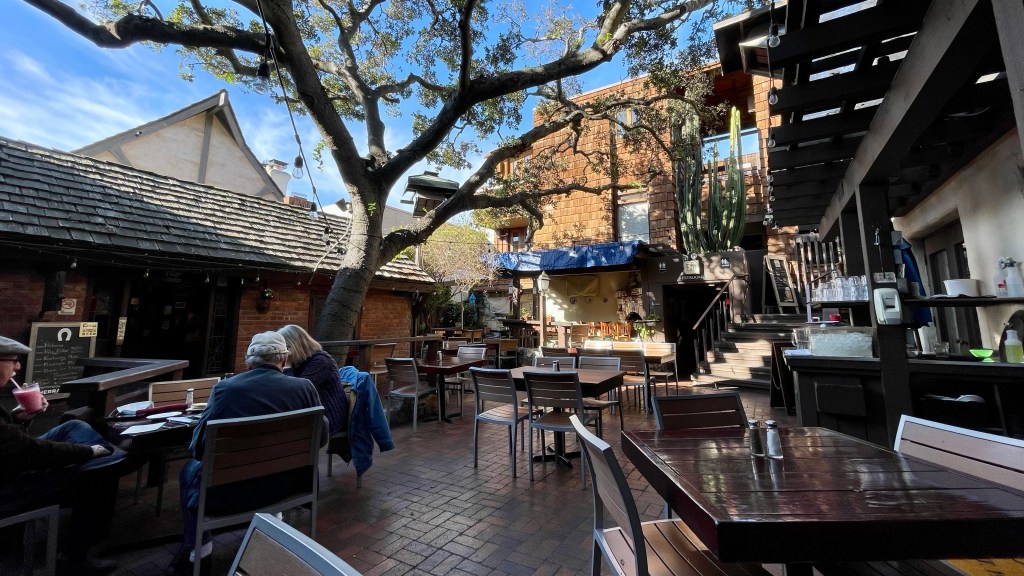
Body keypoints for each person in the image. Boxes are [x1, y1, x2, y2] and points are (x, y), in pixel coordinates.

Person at [175, 332, 326, 574]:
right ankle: (274, 521)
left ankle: (199, 549)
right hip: (290, 487)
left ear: (248, 361)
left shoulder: (225, 389)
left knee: (189, 470)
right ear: (284, 359)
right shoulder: (304, 388)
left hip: (229, 494)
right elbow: (322, 436)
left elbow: (199, 447)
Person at [0, 335, 123, 576]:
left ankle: (106, 459)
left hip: (11, 467)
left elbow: (10, 445)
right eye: (13, 360)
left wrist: (19, 419)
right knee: (97, 475)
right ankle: (75, 558)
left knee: (73, 427)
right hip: (6, 489)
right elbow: (30, 452)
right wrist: (87, 452)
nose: (18, 366)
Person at [277, 324, 350, 436]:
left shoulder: (320, 361)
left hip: (328, 418)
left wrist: (286, 365)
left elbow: (297, 391)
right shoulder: (300, 360)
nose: (281, 353)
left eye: (283, 348)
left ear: (292, 346)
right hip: (311, 414)